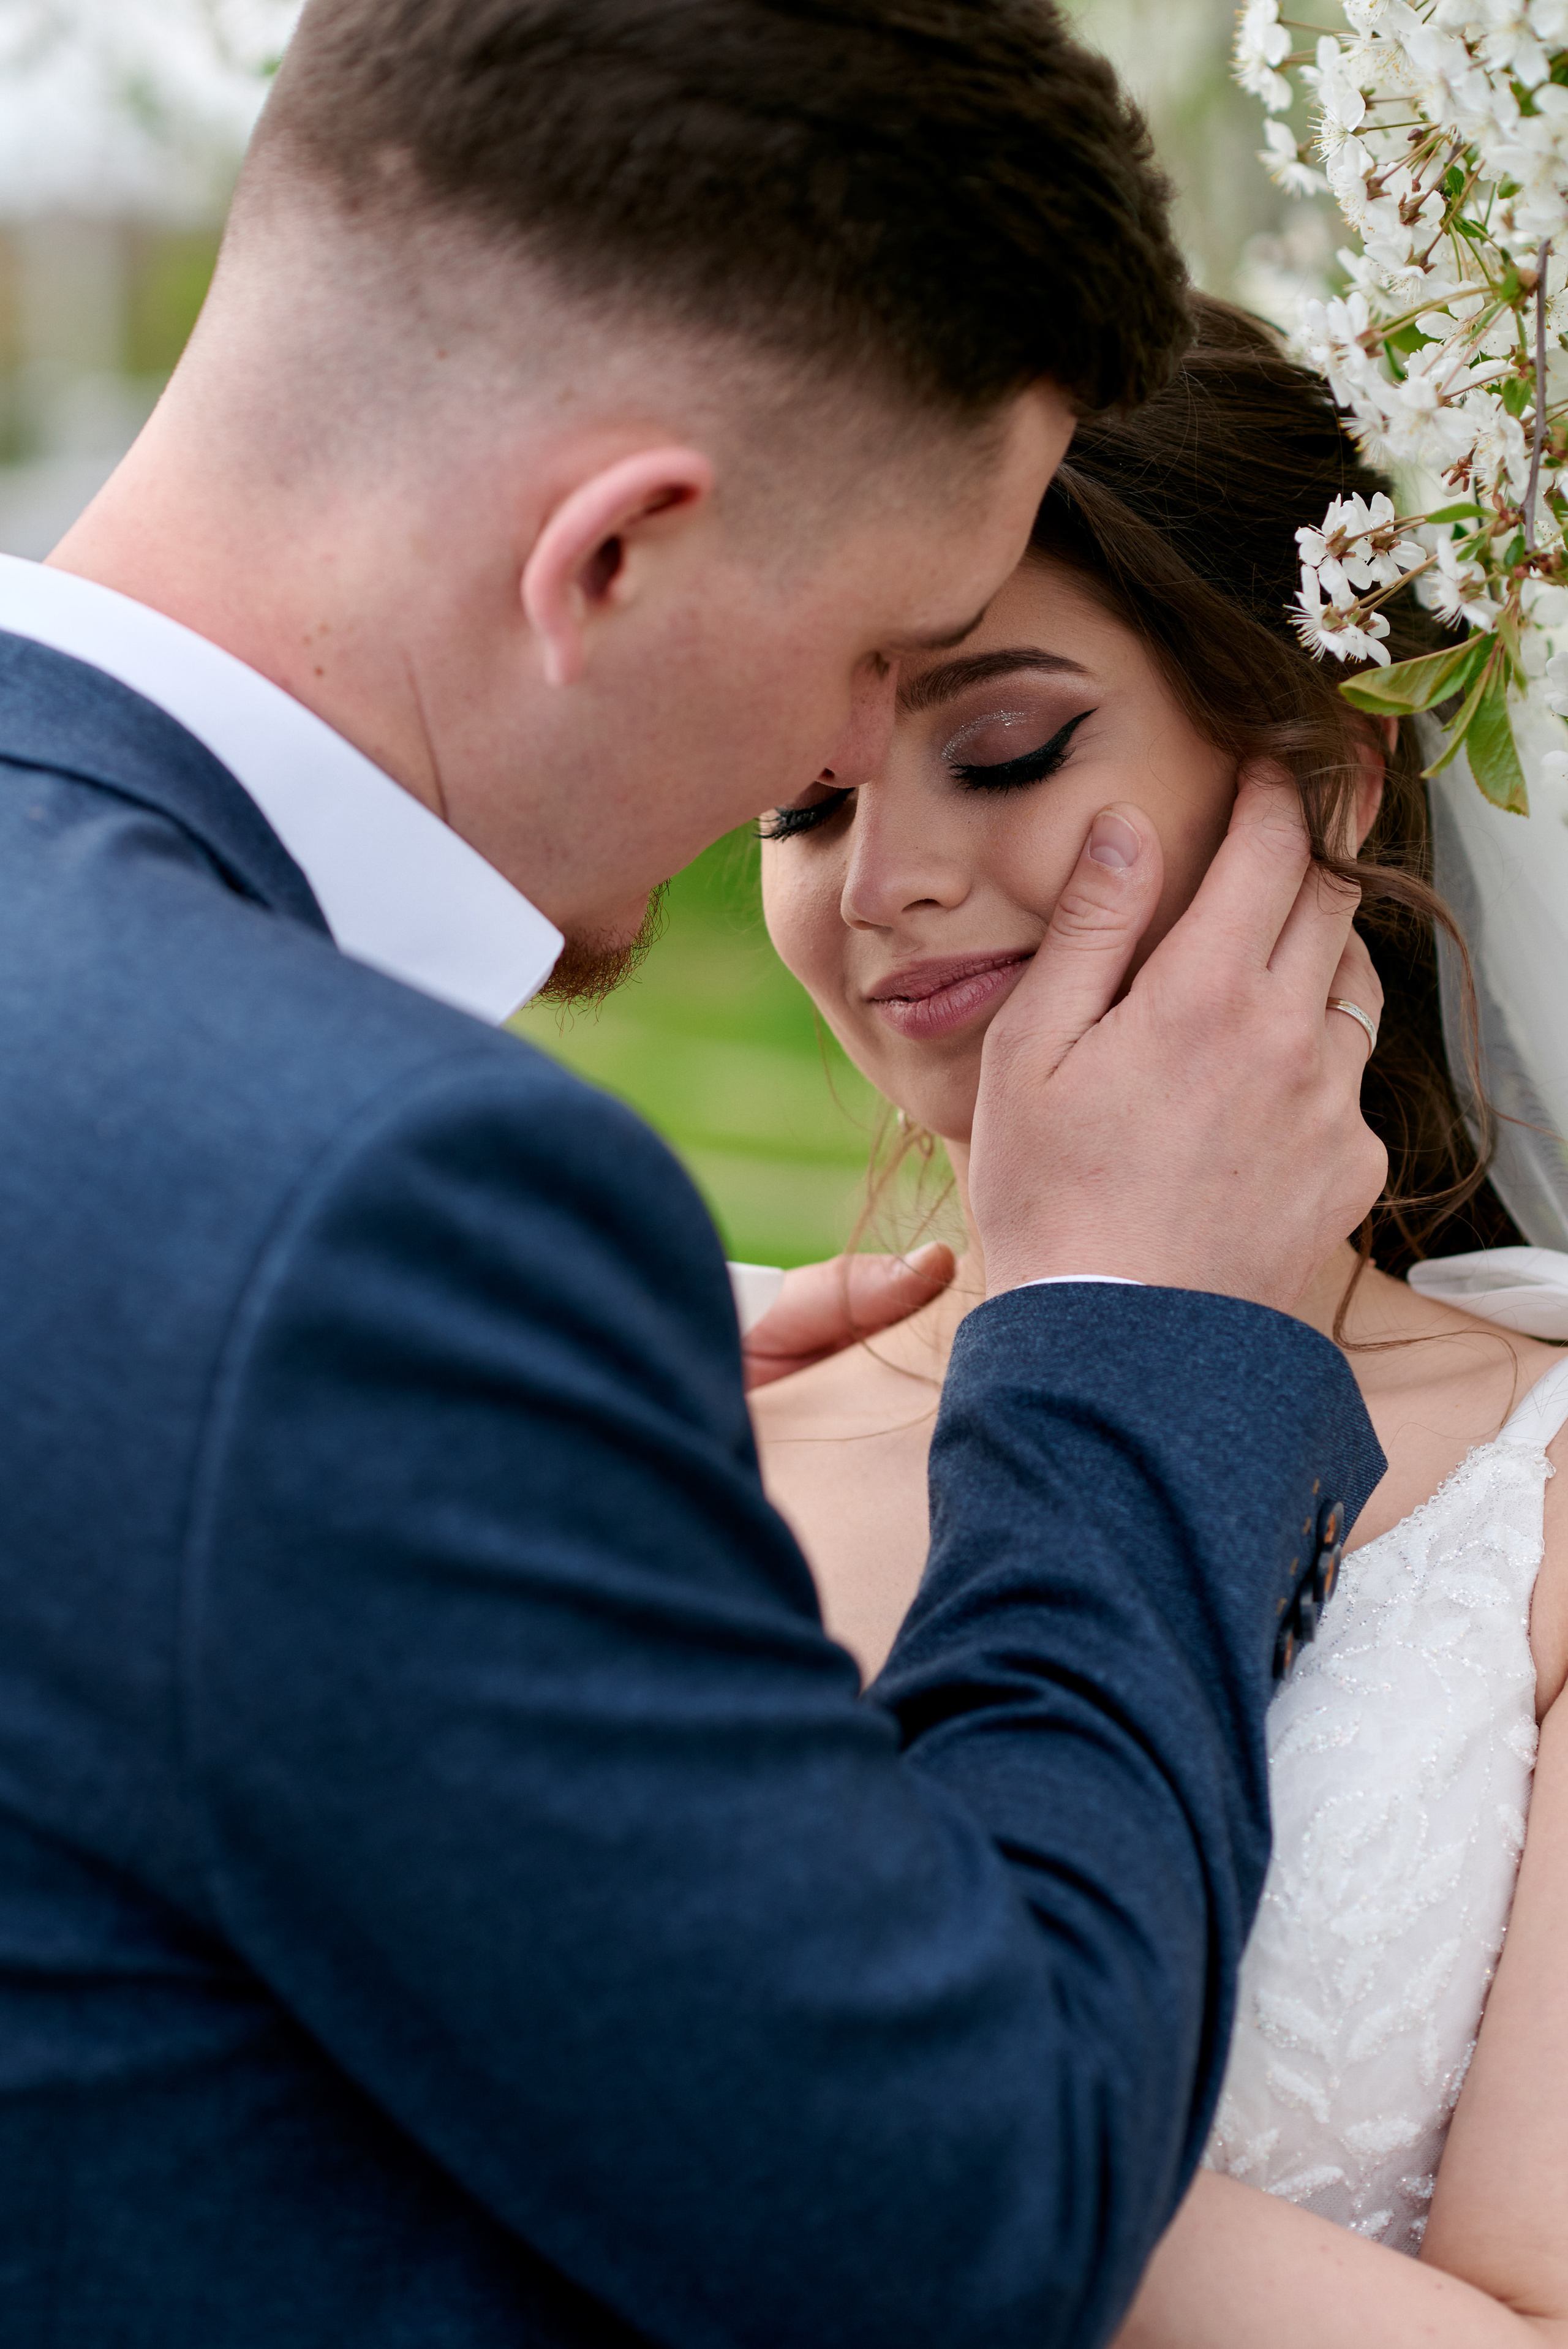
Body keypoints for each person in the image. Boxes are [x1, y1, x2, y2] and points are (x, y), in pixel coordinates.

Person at [0, 6, 1391, 2343]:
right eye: (873, 663)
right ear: (616, 553)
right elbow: (959, 2224)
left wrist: (519, 1477)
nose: (855, 791)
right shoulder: (370, 1221)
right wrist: (1135, 1346)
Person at [752, 295, 1568, 2340]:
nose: (882, 885)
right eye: (804, 798)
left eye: (1005, 747)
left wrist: (771, 2080)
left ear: (1334, 774)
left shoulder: (1546, 1513)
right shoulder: (681, 1425)